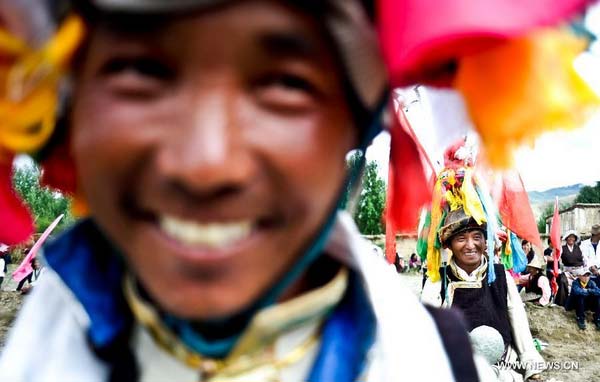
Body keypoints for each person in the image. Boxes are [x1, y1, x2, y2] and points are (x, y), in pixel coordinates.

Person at [0, 1, 486, 381]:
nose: (206, 166)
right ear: (69, 106)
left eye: (284, 83)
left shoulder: (448, 368)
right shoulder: (30, 355)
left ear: (358, 125)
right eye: (141, 71)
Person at [422, 207, 545, 380]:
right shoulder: (437, 280)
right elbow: (426, 328)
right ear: (449, 244)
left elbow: (518, 320)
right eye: (461, 238)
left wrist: (531, 362)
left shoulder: (502, 277)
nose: (470, 245)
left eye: (477, 237)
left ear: (486, 242)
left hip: (502, 360)